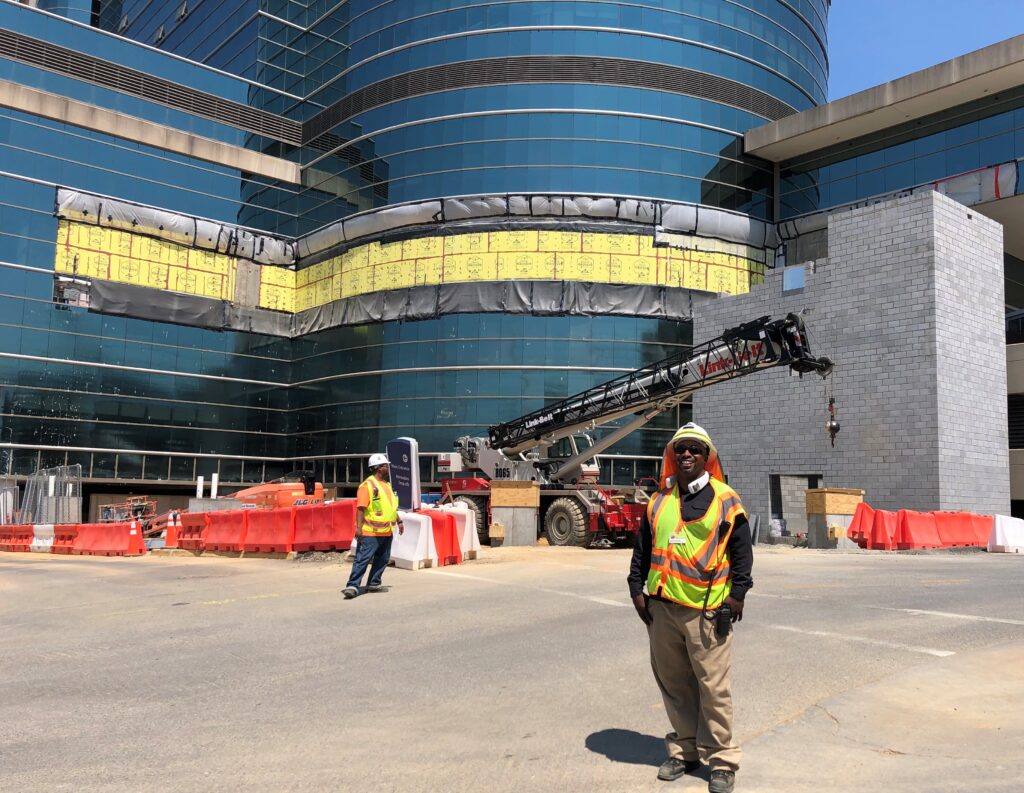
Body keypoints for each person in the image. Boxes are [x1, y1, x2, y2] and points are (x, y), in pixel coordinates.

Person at [626, 423, 753, 793]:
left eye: (695, 450)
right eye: (680, 448)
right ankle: (685, 749)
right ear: (672, 454)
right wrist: (636, 588)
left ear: (707, 457)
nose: (686, 455)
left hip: (706, 610)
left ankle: (723, 759)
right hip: (662, 609)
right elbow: (643, 548)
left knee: (713, 687)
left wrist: (738, 594)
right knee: (675, 684)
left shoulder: (726, 498)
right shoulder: (659, 500)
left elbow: (741, 550)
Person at [342, 453, 404, 599]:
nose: (388, 467)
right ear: (378, 468)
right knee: (362, 559)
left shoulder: (387, 486)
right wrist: (358, 528)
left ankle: (374, 583)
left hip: (386, 531)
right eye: (385, 465)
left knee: (382, 559)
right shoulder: (367, 486)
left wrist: (399, 521)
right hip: (370, 532)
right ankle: (352, 585)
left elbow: (390, 508)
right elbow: (361, 508)